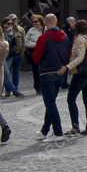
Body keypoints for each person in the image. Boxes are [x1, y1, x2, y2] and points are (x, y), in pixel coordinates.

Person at [33, 14, 71, 142]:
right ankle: (44, 131)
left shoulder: (44, 38)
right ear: (56, 22)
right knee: (51, 103)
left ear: (45, 23)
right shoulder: (65, 36)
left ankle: (58, 132)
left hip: (46, 73)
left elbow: (36, 57)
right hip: (60, 72)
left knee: (50, 104)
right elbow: (68, 54)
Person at [66, 20, 87, 136]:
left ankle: (75, 127)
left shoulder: (80, 39)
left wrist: (68, 67)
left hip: (81, 73)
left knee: (71, 99)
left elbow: (80, 58)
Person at [0, 15, 25, 98]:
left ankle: (14, 90)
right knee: (7, 74)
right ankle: (13, 91)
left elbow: (21, 42)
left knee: (15, 73)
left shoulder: (18, 30)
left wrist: (22, 52)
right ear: (3, 24)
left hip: (15, 54)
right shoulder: (1, 33)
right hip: (5, 56)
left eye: (13, 21)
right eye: (8, 23)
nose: (11, 24)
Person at [24, 15, 43, 93]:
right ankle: (38, 88)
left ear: (40, 21)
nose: (34, 23)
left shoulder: (45, 29)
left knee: (44, 71)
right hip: (34, 52)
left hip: (44, 53)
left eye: (36, 21)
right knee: (36, 71)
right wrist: (36, 44)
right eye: (33, 22)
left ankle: (44, 87)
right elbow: (26, 42)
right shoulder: (31, 30)